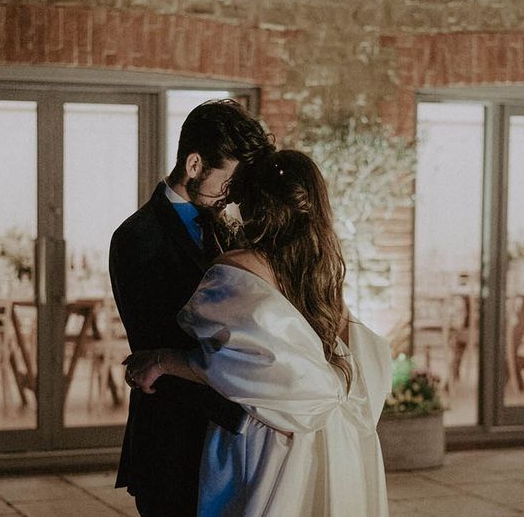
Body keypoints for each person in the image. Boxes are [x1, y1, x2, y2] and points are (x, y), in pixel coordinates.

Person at [126, 149, 391, 516]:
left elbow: (231, 362)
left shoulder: (237, 269)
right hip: (335, 441)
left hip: (272, 441)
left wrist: (163, 360)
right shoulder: (321, 266)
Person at [109, 99, 274, 517]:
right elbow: (160, 340)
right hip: (173, 438)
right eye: (229, 180)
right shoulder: (137, 237)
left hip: (225, 442)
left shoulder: (220, 223)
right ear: (195, 164)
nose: (232, 194)